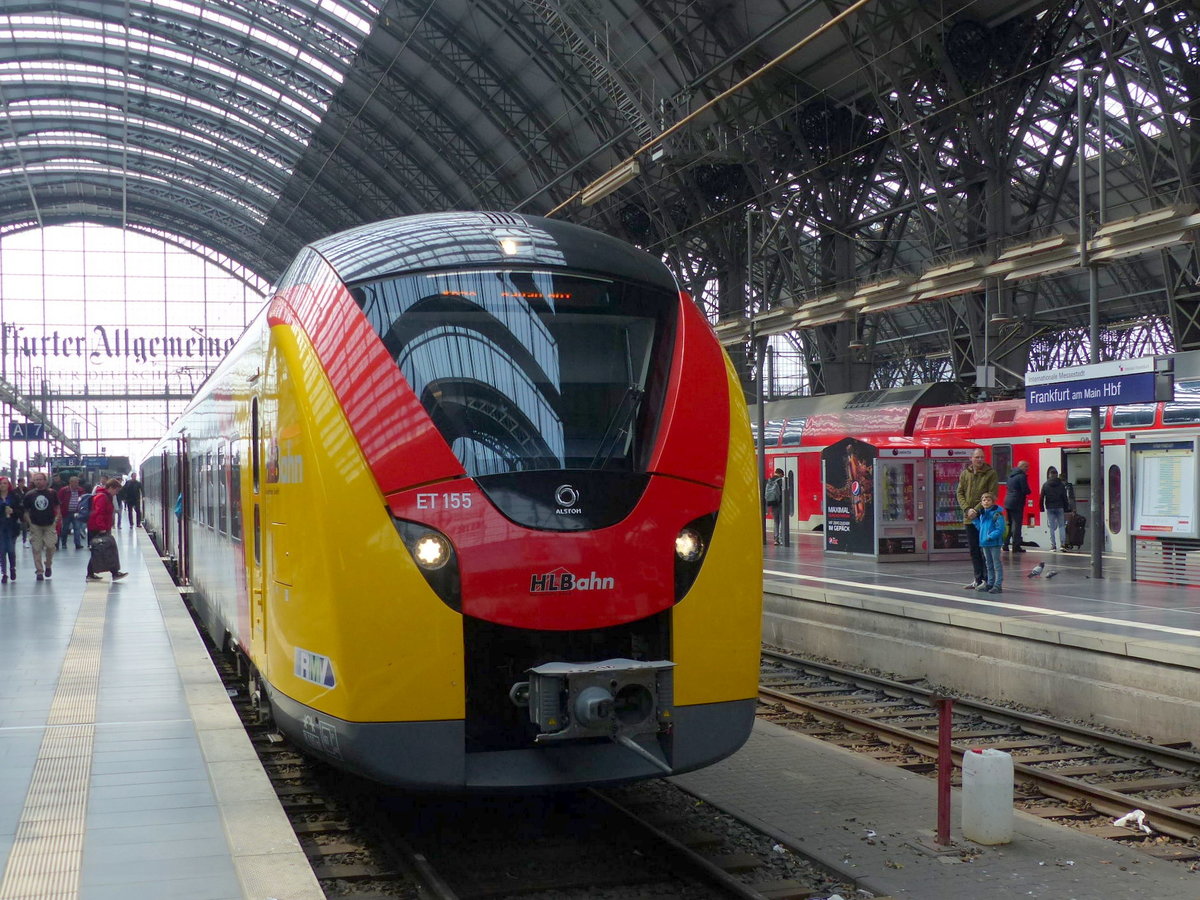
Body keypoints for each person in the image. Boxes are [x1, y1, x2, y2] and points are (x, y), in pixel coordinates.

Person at [956, 448, 997, 590]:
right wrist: (967, 509)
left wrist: (976, 509)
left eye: (982, 457)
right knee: (974, 549)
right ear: (971, 458)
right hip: (969, 518)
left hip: (984, 517)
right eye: (977, 457)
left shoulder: (990, 474)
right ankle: (978, 578)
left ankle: (987, 579)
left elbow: (992, 494)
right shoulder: (965, 474)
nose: (980, 460)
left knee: (985, 549)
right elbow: (959, 492)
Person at [86, 478, 127, 582]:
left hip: (101, 527)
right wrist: (102, 528)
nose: (116, 493)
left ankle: (114, 573)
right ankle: (93, 574)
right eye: (116, 490)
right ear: (111, 488)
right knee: (100, 550)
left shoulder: (105, 496)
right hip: (98, 528)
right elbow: (99, 513)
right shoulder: (102, 497)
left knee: (106, 549)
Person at [23, 471, 60, 580]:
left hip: (49, 524)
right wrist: (30, 523)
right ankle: (39, 571)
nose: (38, 481)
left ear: (45, 481)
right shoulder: (29, 495)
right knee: (36, 548)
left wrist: (56, 519)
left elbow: (57, 506)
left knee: (50, 546)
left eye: (40, 479)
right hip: (35, 524)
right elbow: (25, 511)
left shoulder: (52, 493)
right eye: (36, 480)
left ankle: (48, 564)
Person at [973, 491, 1006, 594]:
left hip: (994, 543)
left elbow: (1000, 529)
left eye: (988, 500)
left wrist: (990, 536)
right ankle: (990, 583)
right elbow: (981, 527)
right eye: (984, 500)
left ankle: (998, 585)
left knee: (996, 564)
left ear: (992, 501)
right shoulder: (983, 513)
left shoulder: (997, 513)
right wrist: (974, 520)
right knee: (989, 564)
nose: (986, 502)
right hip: (984, 543)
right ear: (981, 502)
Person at [1003, 460, 1031, 552]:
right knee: (1017, 525)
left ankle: (1005, 544)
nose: (1027, 469)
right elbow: (1025, 489)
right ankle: (1016, 546)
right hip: (1017, 502)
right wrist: (1029, 491)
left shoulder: (1010, 475)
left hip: (1008, 501)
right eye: (1026, 467)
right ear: (1021, 467)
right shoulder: (1021, 476)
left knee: (1010, 524)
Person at [1039, 466, 1070, 551]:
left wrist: (1041, 508)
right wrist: (1066, 508)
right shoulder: (1061, 485)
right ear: (1056, 475)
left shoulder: (1045, 485)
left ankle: (1053, 545)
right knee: (1061, 526)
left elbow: (1041, 497)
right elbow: (1064, 497)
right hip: (1060, 507)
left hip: (1050, 507)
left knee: (1052, 527)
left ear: (1049, 475)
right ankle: (1063, 545)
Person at [57, 475, 86, 550]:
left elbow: (84, 500)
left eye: (77, 482)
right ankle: (63, 543)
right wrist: (59, 512)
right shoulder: (64, 490)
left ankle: (77, 544)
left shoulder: (81, 490)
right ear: (70, 482)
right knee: (65, 528)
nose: (77, 484)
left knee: (77, 528)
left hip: (76, 512)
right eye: (75, 482)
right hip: (66, 512)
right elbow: (59, 501)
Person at [0, 478, 20, 583]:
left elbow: (20, 511)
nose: (2, 485)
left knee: (11, 549)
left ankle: (12, 568)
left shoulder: (14, 497)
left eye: (4, 483)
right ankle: (4, 573)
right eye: (1, 483)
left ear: (8, 485)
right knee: (2, 550)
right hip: (1, 527)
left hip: (12, 527)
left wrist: (13, 511)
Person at [765, 468, 785, 545]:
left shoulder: (769, 480)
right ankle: (782, 538)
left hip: (773, 503)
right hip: (780, 503)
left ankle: (776, 539)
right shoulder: (781, 481)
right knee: (782, 521)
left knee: (776, 521)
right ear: (780, 474)